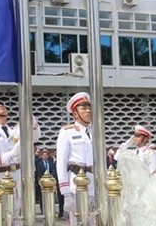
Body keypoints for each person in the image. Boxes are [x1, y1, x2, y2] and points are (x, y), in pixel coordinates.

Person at [0, 97, 41, 224]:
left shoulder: (15, 129)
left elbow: (36, 136)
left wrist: (30, 119)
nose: (1, 106)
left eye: (2, 104)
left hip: (17, 178)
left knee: (18, 220)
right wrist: (11, 155)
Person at [114, 125, 156, 225]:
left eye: (138, 136)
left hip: (144, 193)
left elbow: (154, 173)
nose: (135, 138)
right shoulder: (132, 153)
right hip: (132, 193)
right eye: (134, 136)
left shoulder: (150, 154)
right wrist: (126, 144)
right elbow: (117, 158)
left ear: (145, 139)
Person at [55, 92, 95, 226]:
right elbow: (61, 164)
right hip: (76, 185)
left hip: (94, 184)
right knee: (79, 222)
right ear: (75, 113)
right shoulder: (67, 132)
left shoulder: (96, 131)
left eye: (89, 107)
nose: (88, 110)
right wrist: (65, 194)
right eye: (83, 108)